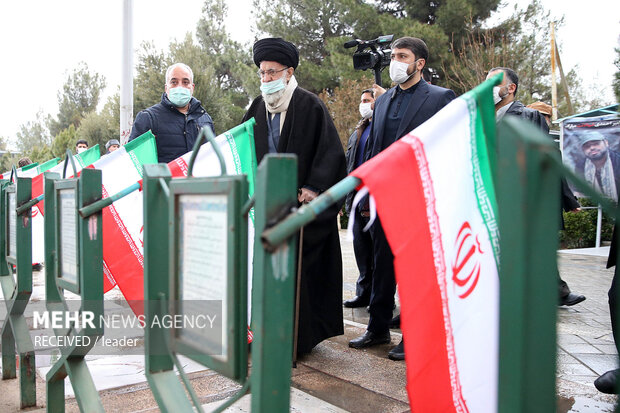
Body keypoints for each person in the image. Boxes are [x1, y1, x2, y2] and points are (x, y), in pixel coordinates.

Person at [349, 36, 456, 361]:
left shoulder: (440, 98)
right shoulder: (382, 101)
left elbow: (448, 149)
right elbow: (375, 150)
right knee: (382, 264)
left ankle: (415, 334)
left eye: (402, 55)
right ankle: (378, 327)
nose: (395, 61)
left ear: (419, 63)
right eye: (393, 55)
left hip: (421, 198)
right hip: (384, 197)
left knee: (416, 269)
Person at [242, 38, 346, 355]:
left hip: (300, 212)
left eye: (272, 73)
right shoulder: (256, 108)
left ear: (288, 73)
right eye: (262, 73)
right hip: (265, 209)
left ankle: (297, 338)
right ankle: (260, 331)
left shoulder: (309, 105)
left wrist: (313, 188)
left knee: (299, 277)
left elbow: (331, 155)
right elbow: (244, 150)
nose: (266, 79)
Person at [487, 68, 585, 307]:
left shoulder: (530, 116)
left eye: (495, 82)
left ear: (511, 88)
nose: (488, 88)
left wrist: (566, 199)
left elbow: (548, 160)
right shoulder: (479, 117)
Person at [128, 63, 214, 163]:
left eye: (185, 82)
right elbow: (134, 161)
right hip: (164, 179)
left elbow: (212, 157)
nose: (180, 87)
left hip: (198, 178)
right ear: (166, 87)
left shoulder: (205, 119)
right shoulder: (149, 118)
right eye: (174, 82)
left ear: (192, 87)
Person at [343, 89, 375, 309]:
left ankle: (381, 300)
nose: (363, 104)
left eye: (368, 100)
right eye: (362, 100)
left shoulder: (381, 128)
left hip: (376, 200)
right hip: (357, 201)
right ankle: (363, 294)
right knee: (362, 254)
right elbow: (349, 165)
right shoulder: (357, 132)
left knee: (380, 257)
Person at [574, 130, 620, 202]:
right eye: (587, 146)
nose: (592, 148)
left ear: (606, 143)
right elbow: (578, 191)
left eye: (596, 144)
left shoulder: (617, 161)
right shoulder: (580, 166)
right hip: (592, 209)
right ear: (583, 149)